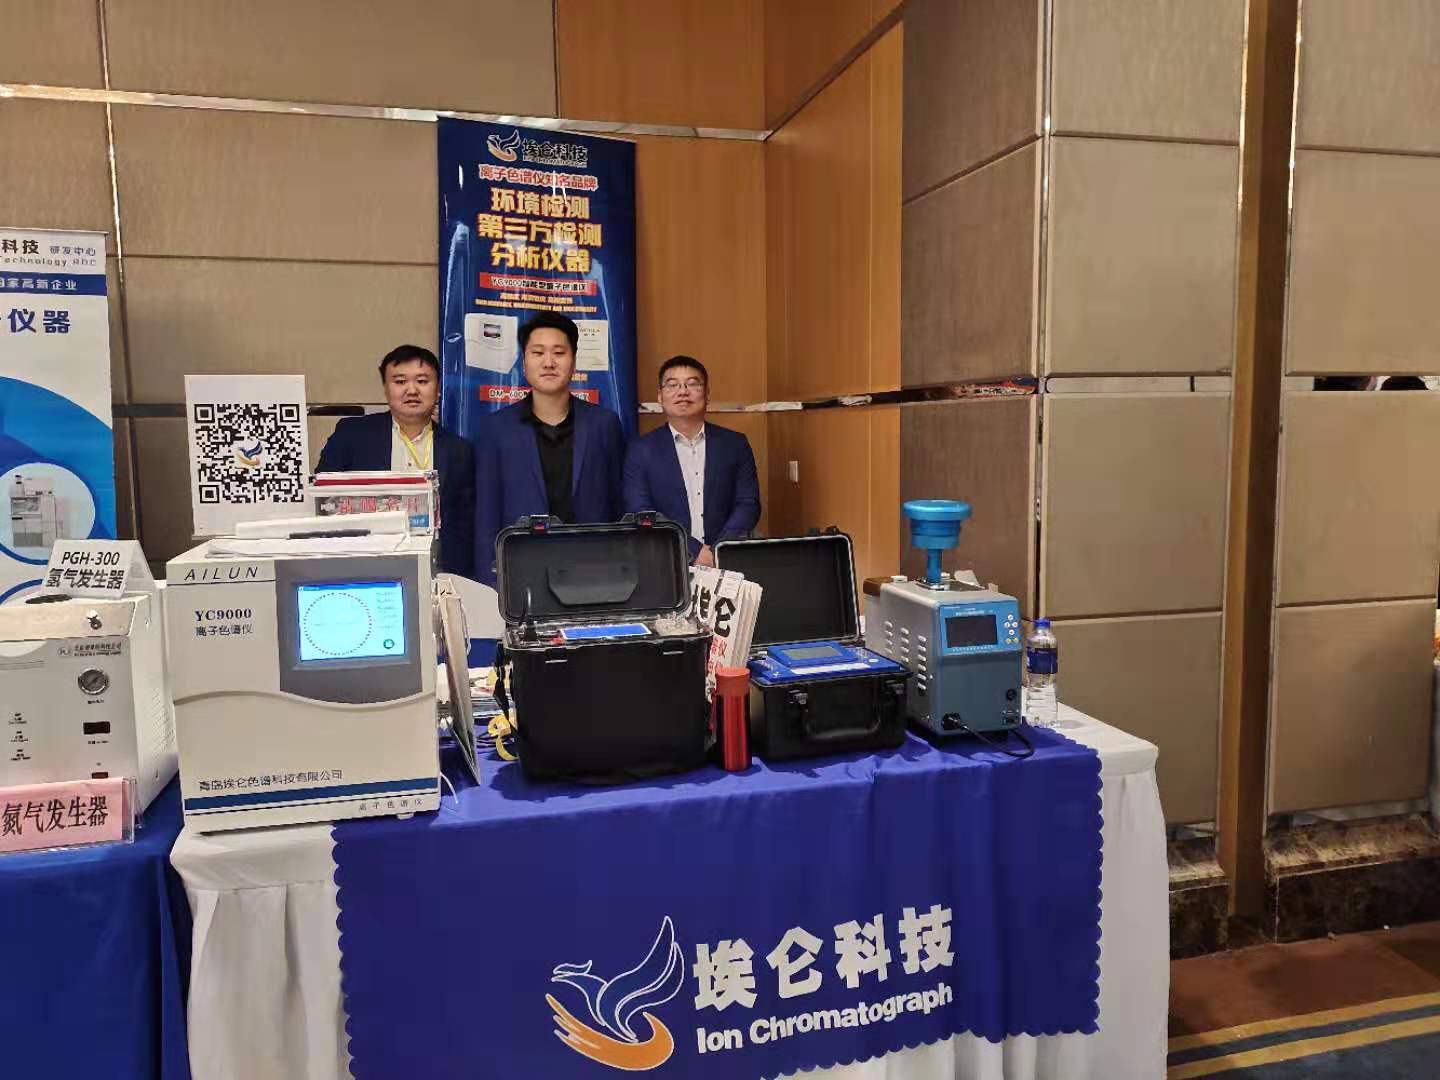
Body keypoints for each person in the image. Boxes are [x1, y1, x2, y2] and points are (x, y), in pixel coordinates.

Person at [472, 312, 625, 584]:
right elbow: (486, 515)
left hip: (594, 573)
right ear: (524, 363)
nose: (549, 362)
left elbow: (618, 506)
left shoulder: (604, 425)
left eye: (559, 353)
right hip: (521, 575)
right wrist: (490, 583)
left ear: (574, 362)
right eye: (538, 352)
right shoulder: (496, 430)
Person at [315, 344, 475, 578]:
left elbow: (466, 526)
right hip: (363, 567)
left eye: (422, 381)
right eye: (400, 382)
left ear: (438, 388)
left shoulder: (459, 450)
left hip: (434, 570)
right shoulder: (352, 435)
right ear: (385, 388)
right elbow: (322, 499)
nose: (412, 390)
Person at [623, 355, 760, 566]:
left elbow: (748, 503)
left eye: (692, 384)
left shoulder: (735, 444)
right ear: (660, 396)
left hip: (727, 559)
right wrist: (693, 550)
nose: (683, 392)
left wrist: (719, 550)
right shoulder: (640, 450)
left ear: (707, 394)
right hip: (666, 561)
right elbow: (641, 510)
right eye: (672, 385)